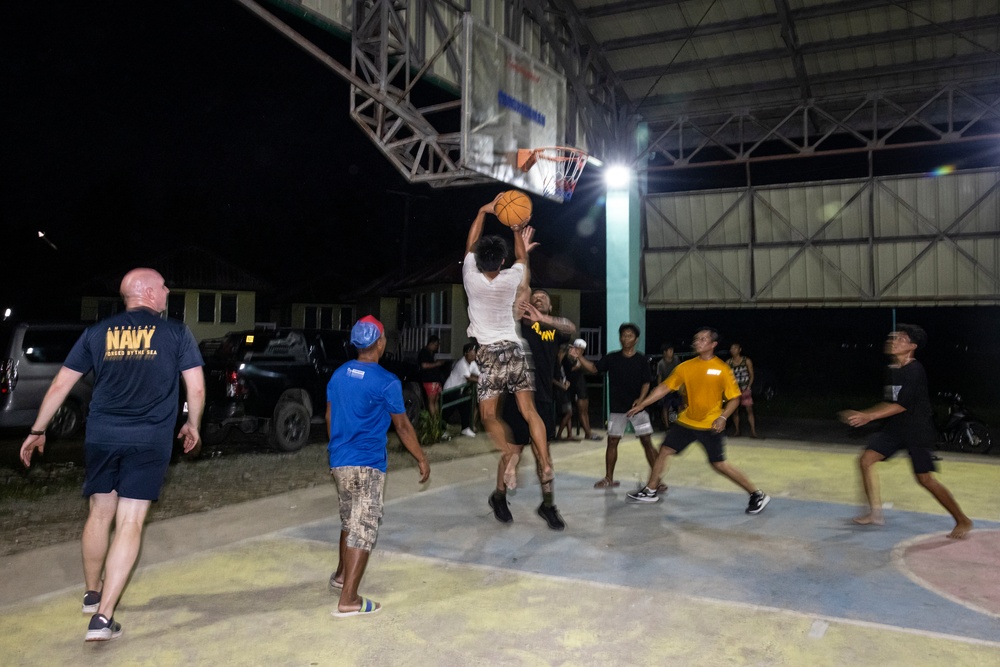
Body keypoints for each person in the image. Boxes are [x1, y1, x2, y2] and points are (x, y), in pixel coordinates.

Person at [19, 268, 205, 642]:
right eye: (164, 286)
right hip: (148, 439)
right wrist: (193, 424)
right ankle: (103, 619)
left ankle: (92, 594)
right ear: (148, 293)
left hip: (102, 436)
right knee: (131, 521)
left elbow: (60, 383)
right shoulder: (176, 333)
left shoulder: (97, 333)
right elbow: (196, 388)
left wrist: (37, 430)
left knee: (99, 511)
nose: (168, 291)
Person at [327, 316, 431, 617]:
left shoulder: (339, 375)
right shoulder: (387, 381)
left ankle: (341, 576)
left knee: (349, 520)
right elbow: (403, 427)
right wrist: (421, 458)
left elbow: (331, 416)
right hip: (367, 464)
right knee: (364, 526)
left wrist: (335, 450)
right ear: (381, 343)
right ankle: (349, 600)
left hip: (340, 461)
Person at [839, 324, 972, 539]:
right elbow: (890, 402)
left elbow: (901, 405)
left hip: (917, 430)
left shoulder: (914, 370)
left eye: (900, 339)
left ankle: (963, 520)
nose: (893, 341)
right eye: (893, 337)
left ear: (912, 346)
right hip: (895, 428)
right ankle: (875, 513)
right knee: (865, 460)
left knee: (925, 480)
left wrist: (868, 416)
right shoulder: (894, 370)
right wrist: (870, 415)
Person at [624, 327, 770, 514]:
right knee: (665, 449)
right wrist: (642, 404)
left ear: (712, 345)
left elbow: (735, 398)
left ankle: (756, 494)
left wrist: (723, 417)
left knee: (719, 464)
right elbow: (664, 387)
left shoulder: (722, 369)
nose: (698, 342)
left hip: (710, 424)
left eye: (703, 339)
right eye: (696, 339)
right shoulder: (686, 367)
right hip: (687, 422)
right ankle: (651, 490)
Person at [462, 194, 552, 494]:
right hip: (515, 349)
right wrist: (515, 229)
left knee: (489, 415)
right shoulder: (511, 277)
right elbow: (522, 259)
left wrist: (482, 209)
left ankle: (507, 455)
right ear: (502, 261)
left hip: (488, 353)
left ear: (477, 260)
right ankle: (546, 461)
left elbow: (471, 244)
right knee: (529, 411)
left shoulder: (471, 278)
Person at [493, 288, 576, 530]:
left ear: (550, 307)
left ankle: (547, 505)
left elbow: (570, 328)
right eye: (534, 297)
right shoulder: (518, 326)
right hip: (516, 395)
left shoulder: (552, 329)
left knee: (544, 455)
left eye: (543, 298)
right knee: (512, 451)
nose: (538, 299)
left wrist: (545, 319)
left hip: (543, 399)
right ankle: (499, 497)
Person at [572, 323, 661, 490]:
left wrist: (641, 401)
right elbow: (593, 368)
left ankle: (657, 480)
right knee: (612, 441)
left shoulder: (642, 360)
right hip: (617, 408)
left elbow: (647, 383)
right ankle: (608, 478)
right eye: (623, 335)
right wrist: (579, 357)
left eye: (629, 335)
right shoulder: (612, 358)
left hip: (639, 409)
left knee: (647, 441)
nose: (625, 338)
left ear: (636, 339)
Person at [564, 339, 600, 441]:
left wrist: (580, 360)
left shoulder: (580, 358)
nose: (581, 351)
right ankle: (587, 433)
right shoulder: (568, 358)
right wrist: (578, 362)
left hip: (581, 386)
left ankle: (588, 432)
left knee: (585, 411)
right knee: (580, 411)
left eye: (582, 350)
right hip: (575, 387)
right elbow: (570, 369)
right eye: (579, 349)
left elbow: (590, 368)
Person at [443, 341, 480, 437]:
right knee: (448, 411)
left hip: (458, 390)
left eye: (474, 352)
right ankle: (442, 429)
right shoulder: (462, 363)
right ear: (465, 353)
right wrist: (482, 380)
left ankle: (465, 428)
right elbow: (469, 378)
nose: (474, 354)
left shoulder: (472, 363)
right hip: (450, 390)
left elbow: (478, 374)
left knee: (465, 405)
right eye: (472, 352)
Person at [727, 342, 758, 438]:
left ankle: (753, 431)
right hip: (734, 390)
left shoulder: (746, 360)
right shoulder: (729, 362)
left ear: (740, 350)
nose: (733, 350)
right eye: (732, 348)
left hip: (745, 388)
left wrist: (749, 386)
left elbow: (751, 374)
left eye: (735, 348)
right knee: (735, 411)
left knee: (749, 409)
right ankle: (737, 431)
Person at [417, 335, 449, 420]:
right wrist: (436, 364)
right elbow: (423, 365)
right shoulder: (424, 352)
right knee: (431, 400)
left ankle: (437, 420)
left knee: (436, 400)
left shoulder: (431, 353)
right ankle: (434, 422)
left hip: (434, 380)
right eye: (436, 345)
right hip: (429, 380)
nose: (437, 347)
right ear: (431, 343)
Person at [553, 344, 577, 441]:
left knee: (569, 412)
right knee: (569, 413)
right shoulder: (556, 363)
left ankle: (569, 434)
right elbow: (552, 379)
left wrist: (565, 383)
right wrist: (562, 385)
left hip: (563, 389)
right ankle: (559, 434)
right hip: (560, 391)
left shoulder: (561, 362)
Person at [656, 342, 681, 431]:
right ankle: (667, 426)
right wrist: (659, 392)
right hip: (665, 388)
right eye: (669, 350)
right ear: (665, 352)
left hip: (676, 387)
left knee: (679, 405)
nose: (671, 352)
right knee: (665, 406)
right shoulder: (661, 364)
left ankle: (680, 425)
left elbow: (680, 373)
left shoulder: (676, 359)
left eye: (672, 350)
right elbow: (659, 378)